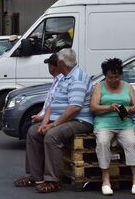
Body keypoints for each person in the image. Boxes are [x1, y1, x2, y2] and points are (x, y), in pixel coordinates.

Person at [14, 48, 94, 193]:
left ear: (62, 62)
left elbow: (75, 108)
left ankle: (52, 180)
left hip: (80, 121)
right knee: (33, 132)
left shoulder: (78, 78)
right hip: (63, 119)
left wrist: (53, 125)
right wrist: (44, 123)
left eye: (57, 59)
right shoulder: (64, 77)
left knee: (52, 135)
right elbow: (52, 103)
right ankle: (34, 176)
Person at [90, 58, 135, 196]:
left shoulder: (127, 86)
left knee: (132, 143)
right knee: (102, 142)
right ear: (105, 76)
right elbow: (94, 107)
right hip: (104, 123)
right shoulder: (99, 86)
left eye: (116, 77)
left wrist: (130, 109)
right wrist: (109, 107)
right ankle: (105, 180)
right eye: (110, 77)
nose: (113, 80)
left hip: (124, 123)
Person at [20, 53, 63, 138]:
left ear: (52, 67)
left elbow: (54, 105)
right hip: (47, 117)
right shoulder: (56, 80)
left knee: (29, 130)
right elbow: (47, 105)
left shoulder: (62, 81)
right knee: (26, 128)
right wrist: (39, 116)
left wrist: (41, 119)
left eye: (49, 65)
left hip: (53, 118)